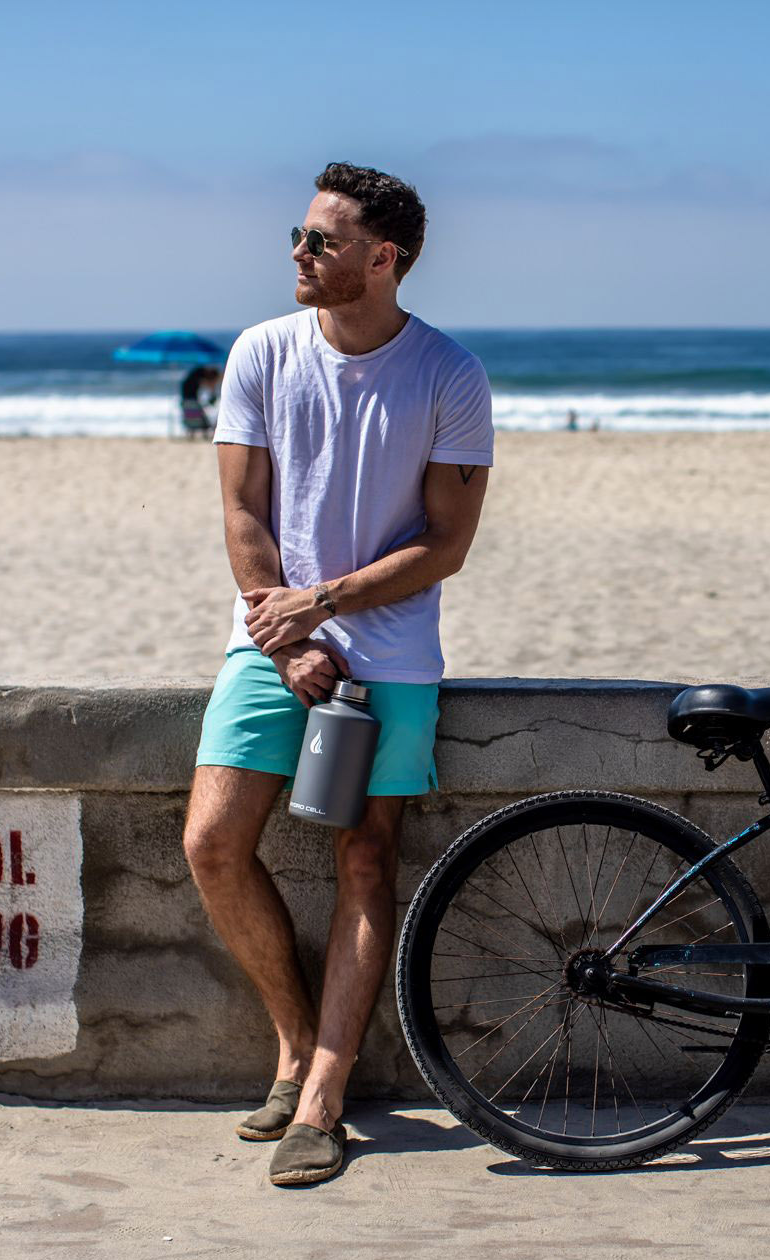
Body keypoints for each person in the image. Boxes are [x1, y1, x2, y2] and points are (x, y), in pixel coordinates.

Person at [184, 162, 494, 1186]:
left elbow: (446, 544)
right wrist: (286, 635)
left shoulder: (448, 375)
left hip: (390, 652)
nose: (298, 254)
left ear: (382, 257)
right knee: (213, 843)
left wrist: (325, 606)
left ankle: (323, 1094)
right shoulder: (261, 354)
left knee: (366, 861)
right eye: (300, 234)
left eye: (320, 240)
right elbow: (241, 513)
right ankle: (290, 1039)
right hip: (269, 640)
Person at [180, 364, 222, 440]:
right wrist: (213, 392)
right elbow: (209, 385)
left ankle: (192, 432)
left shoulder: (194, 377)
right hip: (193, 405)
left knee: (195, 412)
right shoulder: (200, 377)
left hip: (187, 404)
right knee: (202, 414)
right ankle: (209, 431)